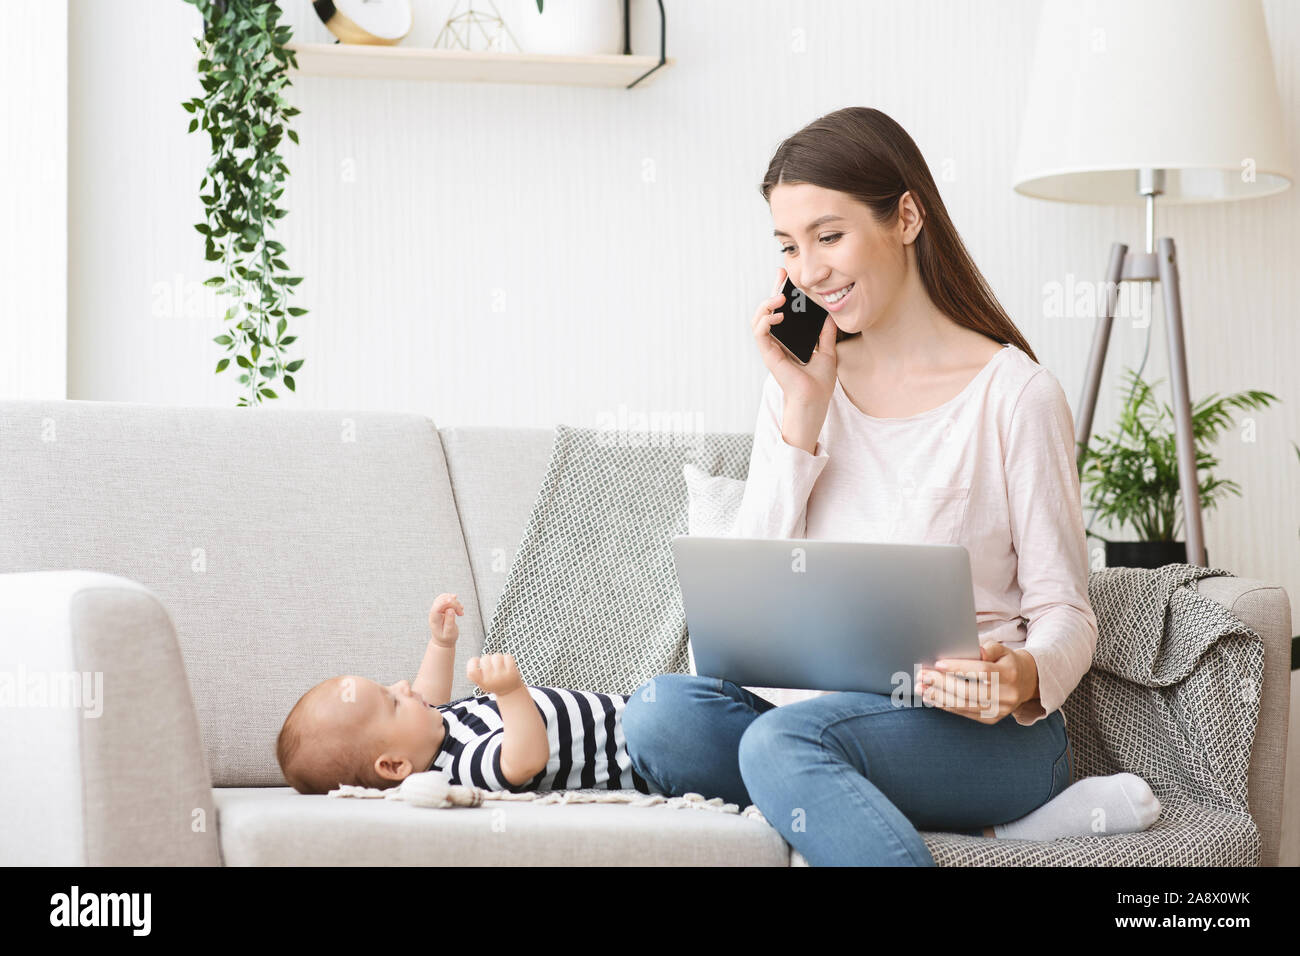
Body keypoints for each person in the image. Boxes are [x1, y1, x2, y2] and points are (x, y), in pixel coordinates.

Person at [622, 106, 1159, 866]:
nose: (809, 272)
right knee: (657, 715)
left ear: (906, 217)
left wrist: (1026, 676)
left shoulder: (1016, 395)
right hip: (814, 723)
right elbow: (748, 607)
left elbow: (1066, 608)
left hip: (979, 735)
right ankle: (952, 824)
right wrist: (803, 412)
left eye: (829, 236)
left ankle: (875, 802)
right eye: (789, 247)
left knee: (782, 744)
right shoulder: (801, 384)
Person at [276, 593, 656, 796]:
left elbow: (426, 693)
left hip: (633, 712)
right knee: (673, 705)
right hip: (640, 753)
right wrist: (510, 693)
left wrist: (441, 644)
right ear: (394, 766)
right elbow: (523, 760)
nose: (403, 687)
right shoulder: (460, 766)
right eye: (392, 701)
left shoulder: (432, 731)